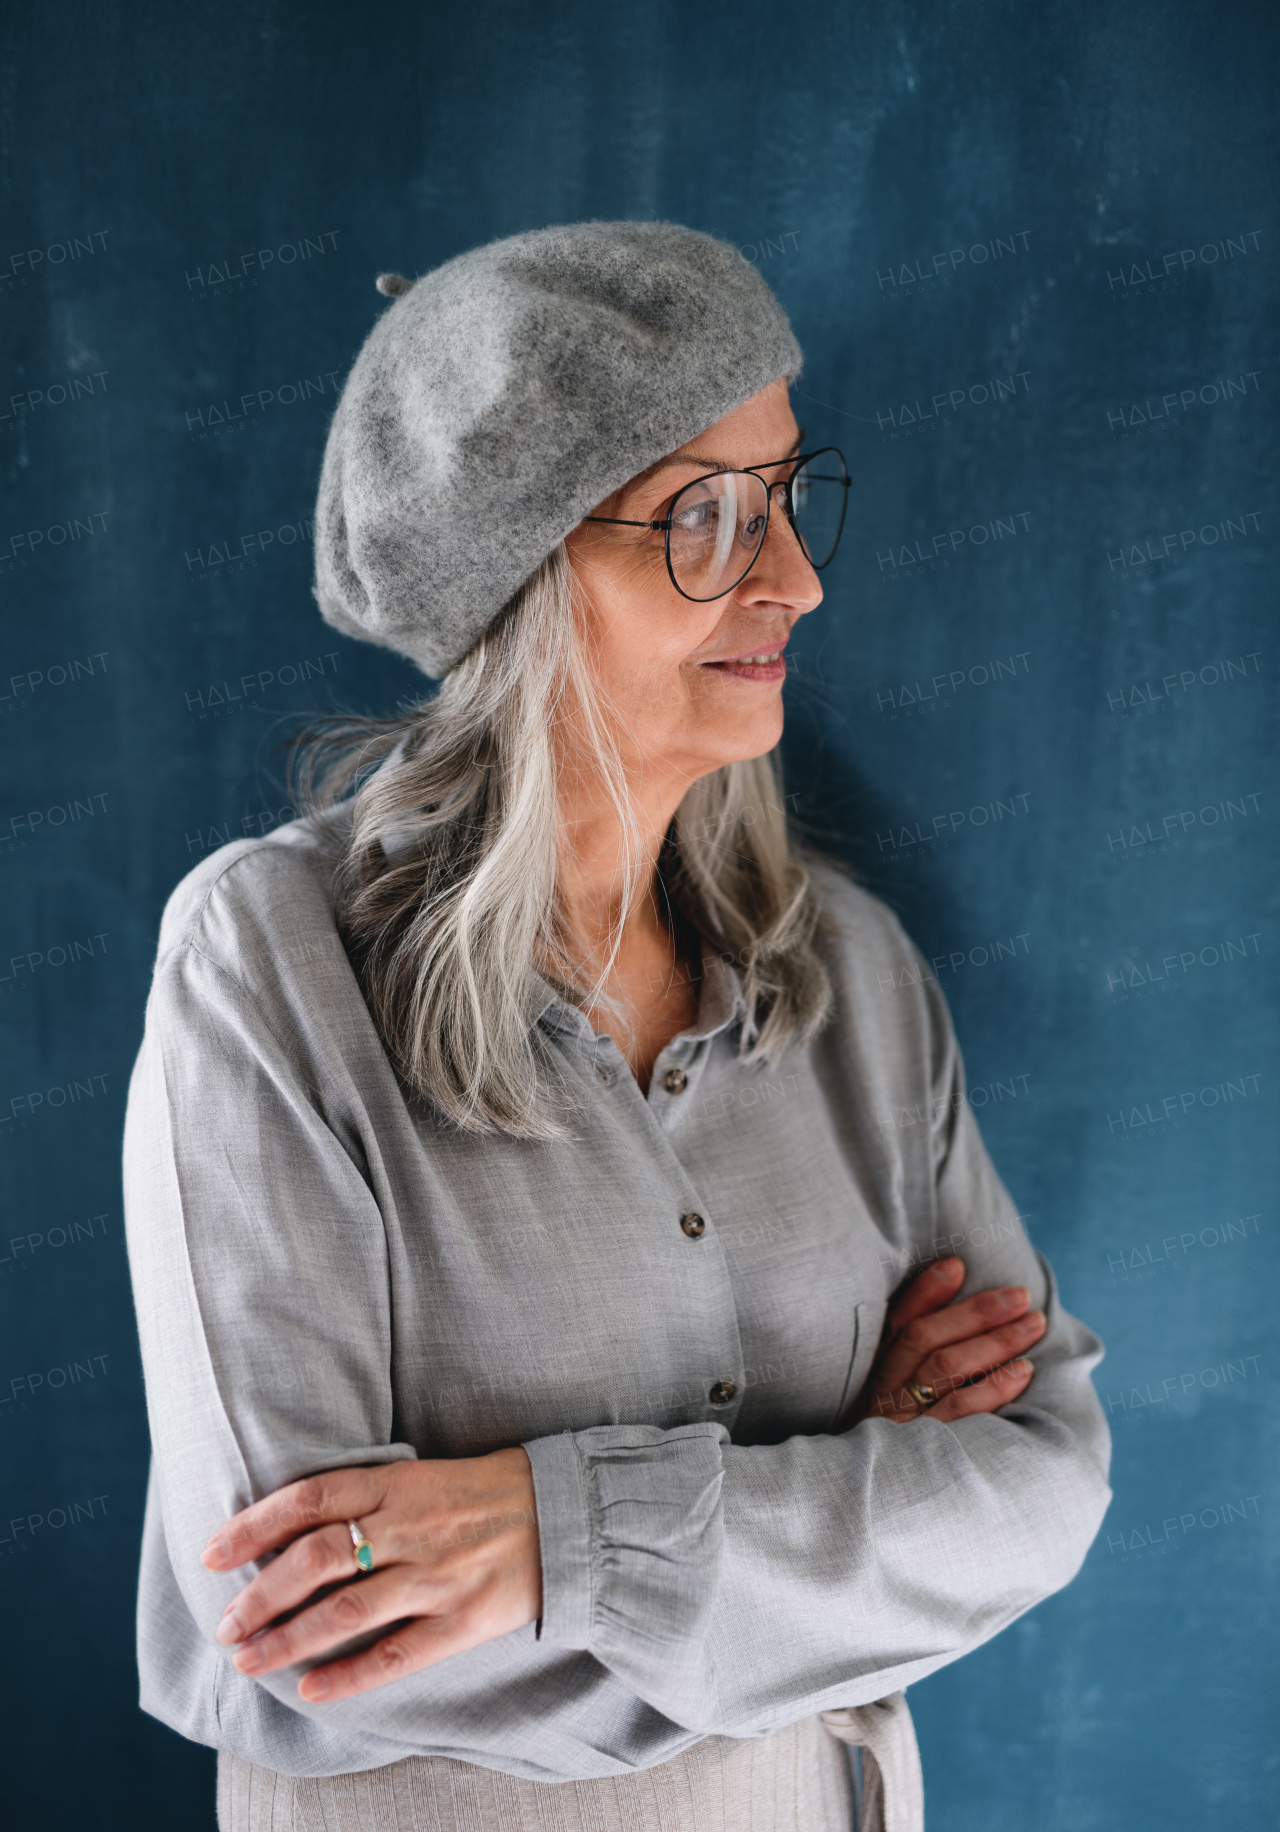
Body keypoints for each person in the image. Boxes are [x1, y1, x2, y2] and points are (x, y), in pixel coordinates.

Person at [123, 222, 1111, 1832]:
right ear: (518, 577)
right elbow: (316, 1624)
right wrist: (855, 1505)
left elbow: (1046, 1483)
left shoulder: (851, 977)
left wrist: (555, 1541)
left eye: (790, 495)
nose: (791, 576)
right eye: (706, 517)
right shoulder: (268, 967)